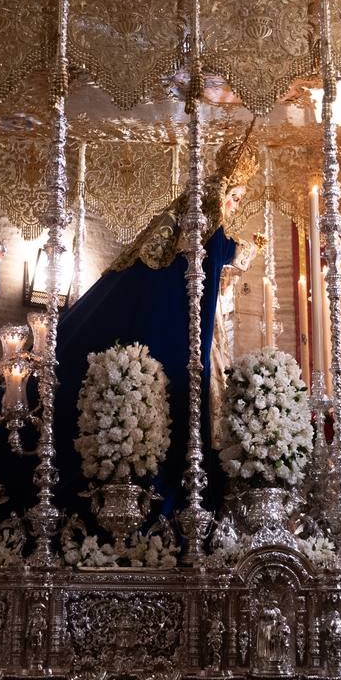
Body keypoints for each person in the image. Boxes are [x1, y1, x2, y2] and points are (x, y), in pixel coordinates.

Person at [52, 120, 259, 513]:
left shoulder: (189, 216)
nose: (233, 205)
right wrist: (240, 251)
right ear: (220, 191)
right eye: (234, 196)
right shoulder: (203, 216)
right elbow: (213, 253)